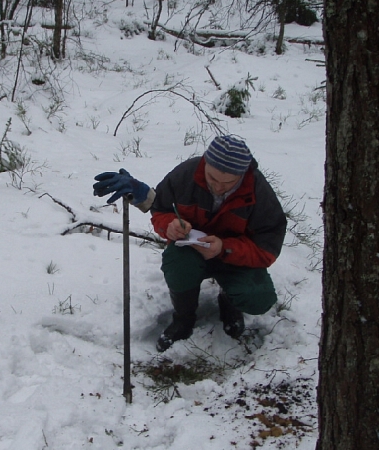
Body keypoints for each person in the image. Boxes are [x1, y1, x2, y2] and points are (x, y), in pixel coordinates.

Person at [93, 135, 287, 352]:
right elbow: (160, 209)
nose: (218, 187)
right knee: (177, 265)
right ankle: (183, 319)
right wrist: (171, 225)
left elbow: (266, 249)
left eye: (228, 183)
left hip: (234, 257)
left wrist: (224, 248)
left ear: (243, 174)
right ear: (205, 163)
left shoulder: (258, 191)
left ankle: (229, 301)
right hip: (191, 251)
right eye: (212, 178)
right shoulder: (186, 174)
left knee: (258, 298)